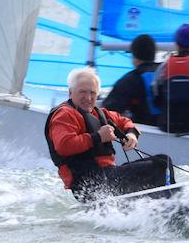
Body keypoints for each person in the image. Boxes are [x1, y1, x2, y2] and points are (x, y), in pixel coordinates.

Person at [44, 67, 175, 202]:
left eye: (92, 93)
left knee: (163, 160)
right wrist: (98, 137)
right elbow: (64, 145)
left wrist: (131, 135)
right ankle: (170, 204)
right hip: (90, 185)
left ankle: (166, 202)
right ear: (70, 92)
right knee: (161, 167)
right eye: (82, 92)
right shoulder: (64, 114)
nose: (88, 98)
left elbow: (124, 121)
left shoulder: (100, 113)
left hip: (108, 177)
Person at [102, 34, 161, 126]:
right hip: (171, 130)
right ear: (154, 54)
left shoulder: (130, 80)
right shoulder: (166, 73)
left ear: (134, 56)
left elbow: (106, 112)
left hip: (145, 133)